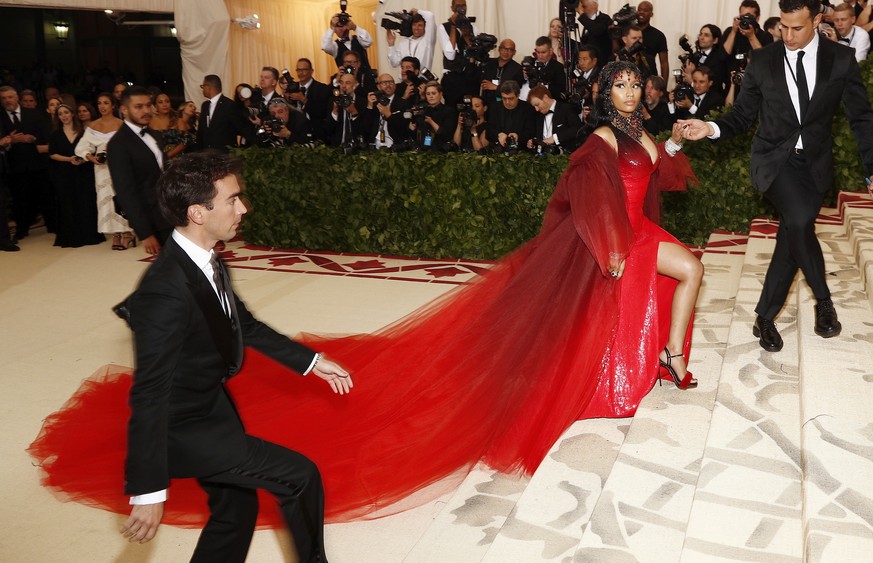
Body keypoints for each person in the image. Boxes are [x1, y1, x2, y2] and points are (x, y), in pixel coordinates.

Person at [28, 61, 701, 530]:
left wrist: (682, 136)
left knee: (684, 272)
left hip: (641, 228)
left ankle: (664, 355)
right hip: (622, 235)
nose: (628, 87)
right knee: (621, 300)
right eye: (617, 81)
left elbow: (665, 172)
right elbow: (588, 191)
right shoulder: (603, 137)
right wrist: (611, 241)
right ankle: (630, 364)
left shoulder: (641, 130)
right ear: (601, 91)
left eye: (634, 79)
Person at [680, 0, 873, 352]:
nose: (787, 35)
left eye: (796, 28)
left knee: (791, 233)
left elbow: (861, 118)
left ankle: (764, 317)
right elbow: (741, 117)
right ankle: (824, 301)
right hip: (774, 163)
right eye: (782, 26)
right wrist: (708, 127)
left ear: (816, 20)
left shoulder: (840, 60)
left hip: (815, 168)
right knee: (799, 221)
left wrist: (872, 168)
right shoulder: (764, 60)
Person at [108, 85, 172, 256]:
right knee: (172, 270)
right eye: (138, 107)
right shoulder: (118, 144)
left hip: (173, 211)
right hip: (153, 218)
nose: (146, 110)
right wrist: (145, 233)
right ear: (124, 110)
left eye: (147, 105)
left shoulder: (155, 135)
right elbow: (126, 192)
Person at [75, 93, 133, 250]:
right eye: (99, 103)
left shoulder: (122, 124)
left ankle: (127, 233)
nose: (102, 106)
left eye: (106, 103)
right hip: (101, 167)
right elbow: (81, 147)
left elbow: (132, 145)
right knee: (106, 199)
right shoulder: (93, 126)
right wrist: (90, 157)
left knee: (122, 197)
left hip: (120, 165)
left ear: (112, 105)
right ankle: (115, 233)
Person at [0, 85, 54, 241]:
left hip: (37, 162)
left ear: (16, 97)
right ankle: (22, 229)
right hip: (14, 166)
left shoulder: (34, 114)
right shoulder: (1, 117)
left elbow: (44, 137)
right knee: (19, 199)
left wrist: (30, 140)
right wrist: (11, 141)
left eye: (9, 97)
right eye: (3, 98)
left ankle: (52, 225)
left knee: (45, 195)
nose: (7, 101)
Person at [47, 104, 103, 248]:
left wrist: (84, 159)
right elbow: (52, 154)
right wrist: (69, 159)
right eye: (60, 114)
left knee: (85, 200)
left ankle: (89, 234)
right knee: (67, 202)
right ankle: (71, 236)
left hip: (83, 171)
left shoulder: (84, 131)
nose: (64, 116)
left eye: (66, 112)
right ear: (58, 117)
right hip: (64, 173)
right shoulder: (55, 134)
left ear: (72, 114)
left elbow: (93, 149)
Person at [438, 0, 482, 105]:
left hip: (470, 77)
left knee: (471, 110)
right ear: (452, 8)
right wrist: (453, 26)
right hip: (452, 78)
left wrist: (466, 33)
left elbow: (475, 52)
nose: (461, 9)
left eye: (463, 6)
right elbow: (450, 55)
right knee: (452, 110)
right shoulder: (443, 27)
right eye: (458, 6)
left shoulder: (473, 28)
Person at [197, 74, 256, 151]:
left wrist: (260, 146)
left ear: (208, 87)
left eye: (203, 86)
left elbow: (242, 128)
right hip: (207, 155)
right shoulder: (204, 106)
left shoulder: (229, 105)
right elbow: (201, 133)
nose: (202, 89)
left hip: (224, 155)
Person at [526, 84, 584, 153]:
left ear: (545, 97)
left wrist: (555, 138)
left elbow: (578, 128)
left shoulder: (566, 109)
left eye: (537, 104)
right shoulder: (538, 116)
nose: (536, 109)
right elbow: (537, 136)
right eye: (534, 106)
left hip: (565, 156)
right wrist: (533, 142)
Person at [486, 80, 536, 150]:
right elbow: (488, 131)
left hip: (521, 150)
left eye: (510, 98)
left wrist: (518, 136)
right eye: (504, 98)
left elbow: (531, 131)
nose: (507, 102)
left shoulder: (527, 108)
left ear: (518, 95)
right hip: (498, 149)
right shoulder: (495, 107)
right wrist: (498, 135)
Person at [409, 81, 456, 151]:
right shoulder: (422, 111)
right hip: (422, 152)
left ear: (440, 94)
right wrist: (412, 127)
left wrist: (431, 122)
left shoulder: (449, 111)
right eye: (428, 94)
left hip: (441, 152)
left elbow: (447, 135)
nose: (431, 96)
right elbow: (415, 136)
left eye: (434, 93)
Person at [367, 73, 411, 149]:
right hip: (374, 146)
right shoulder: (373, 103)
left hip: (395, 147)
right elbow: (366, 128)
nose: (388, 85)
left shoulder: (403, 103)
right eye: (384, 83)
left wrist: (389, 115)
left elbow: (404, 129)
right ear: (378, 86)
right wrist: (369, 106)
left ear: (395, 86)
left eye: (391, 82)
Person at [480, 39, 524, 107]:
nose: (506, 52)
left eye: (510, 50)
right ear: (499, 49)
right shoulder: (488, 63)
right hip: (487, 104)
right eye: (504, 48)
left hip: (506, 105)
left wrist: (496, 88)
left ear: (514, 52)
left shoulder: (517, 68)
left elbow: (516, 89)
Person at [636, 1, 670, 84]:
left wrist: (663, 86)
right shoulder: (628, 32)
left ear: (651, 14)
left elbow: (664, 63)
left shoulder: (658, 35)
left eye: (645, 10)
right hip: (630, 76)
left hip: (650, 79)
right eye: (639, 9)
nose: (641, 12)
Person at [577, 0, 614, 65]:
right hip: (588, 63)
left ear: (595, 6)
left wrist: (581, 13)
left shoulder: (604, 18)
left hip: (601, 62)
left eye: (584, 6)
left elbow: (597, 30)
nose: (582, 9)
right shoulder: (588, 22)